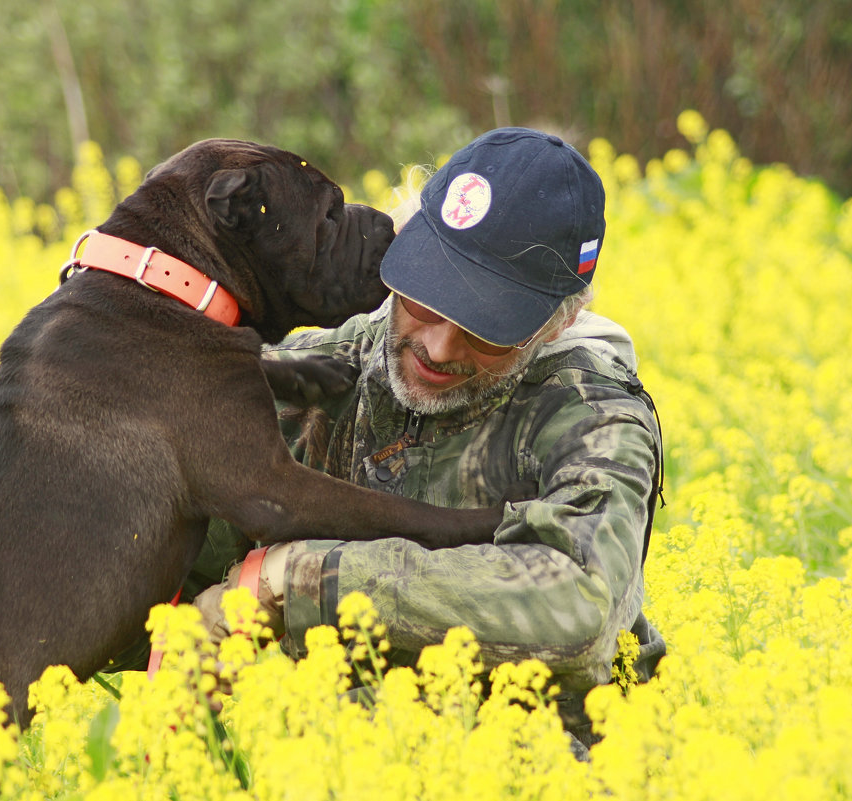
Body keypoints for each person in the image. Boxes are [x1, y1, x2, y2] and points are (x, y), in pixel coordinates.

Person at [185, 127, 666, 749]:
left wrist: (297, 580)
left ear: (559, 322)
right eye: (424, 299)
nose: (438, 346)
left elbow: (579, 603)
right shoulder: (321, 371)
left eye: (485, 330)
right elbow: (174, 540)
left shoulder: (591, 412)